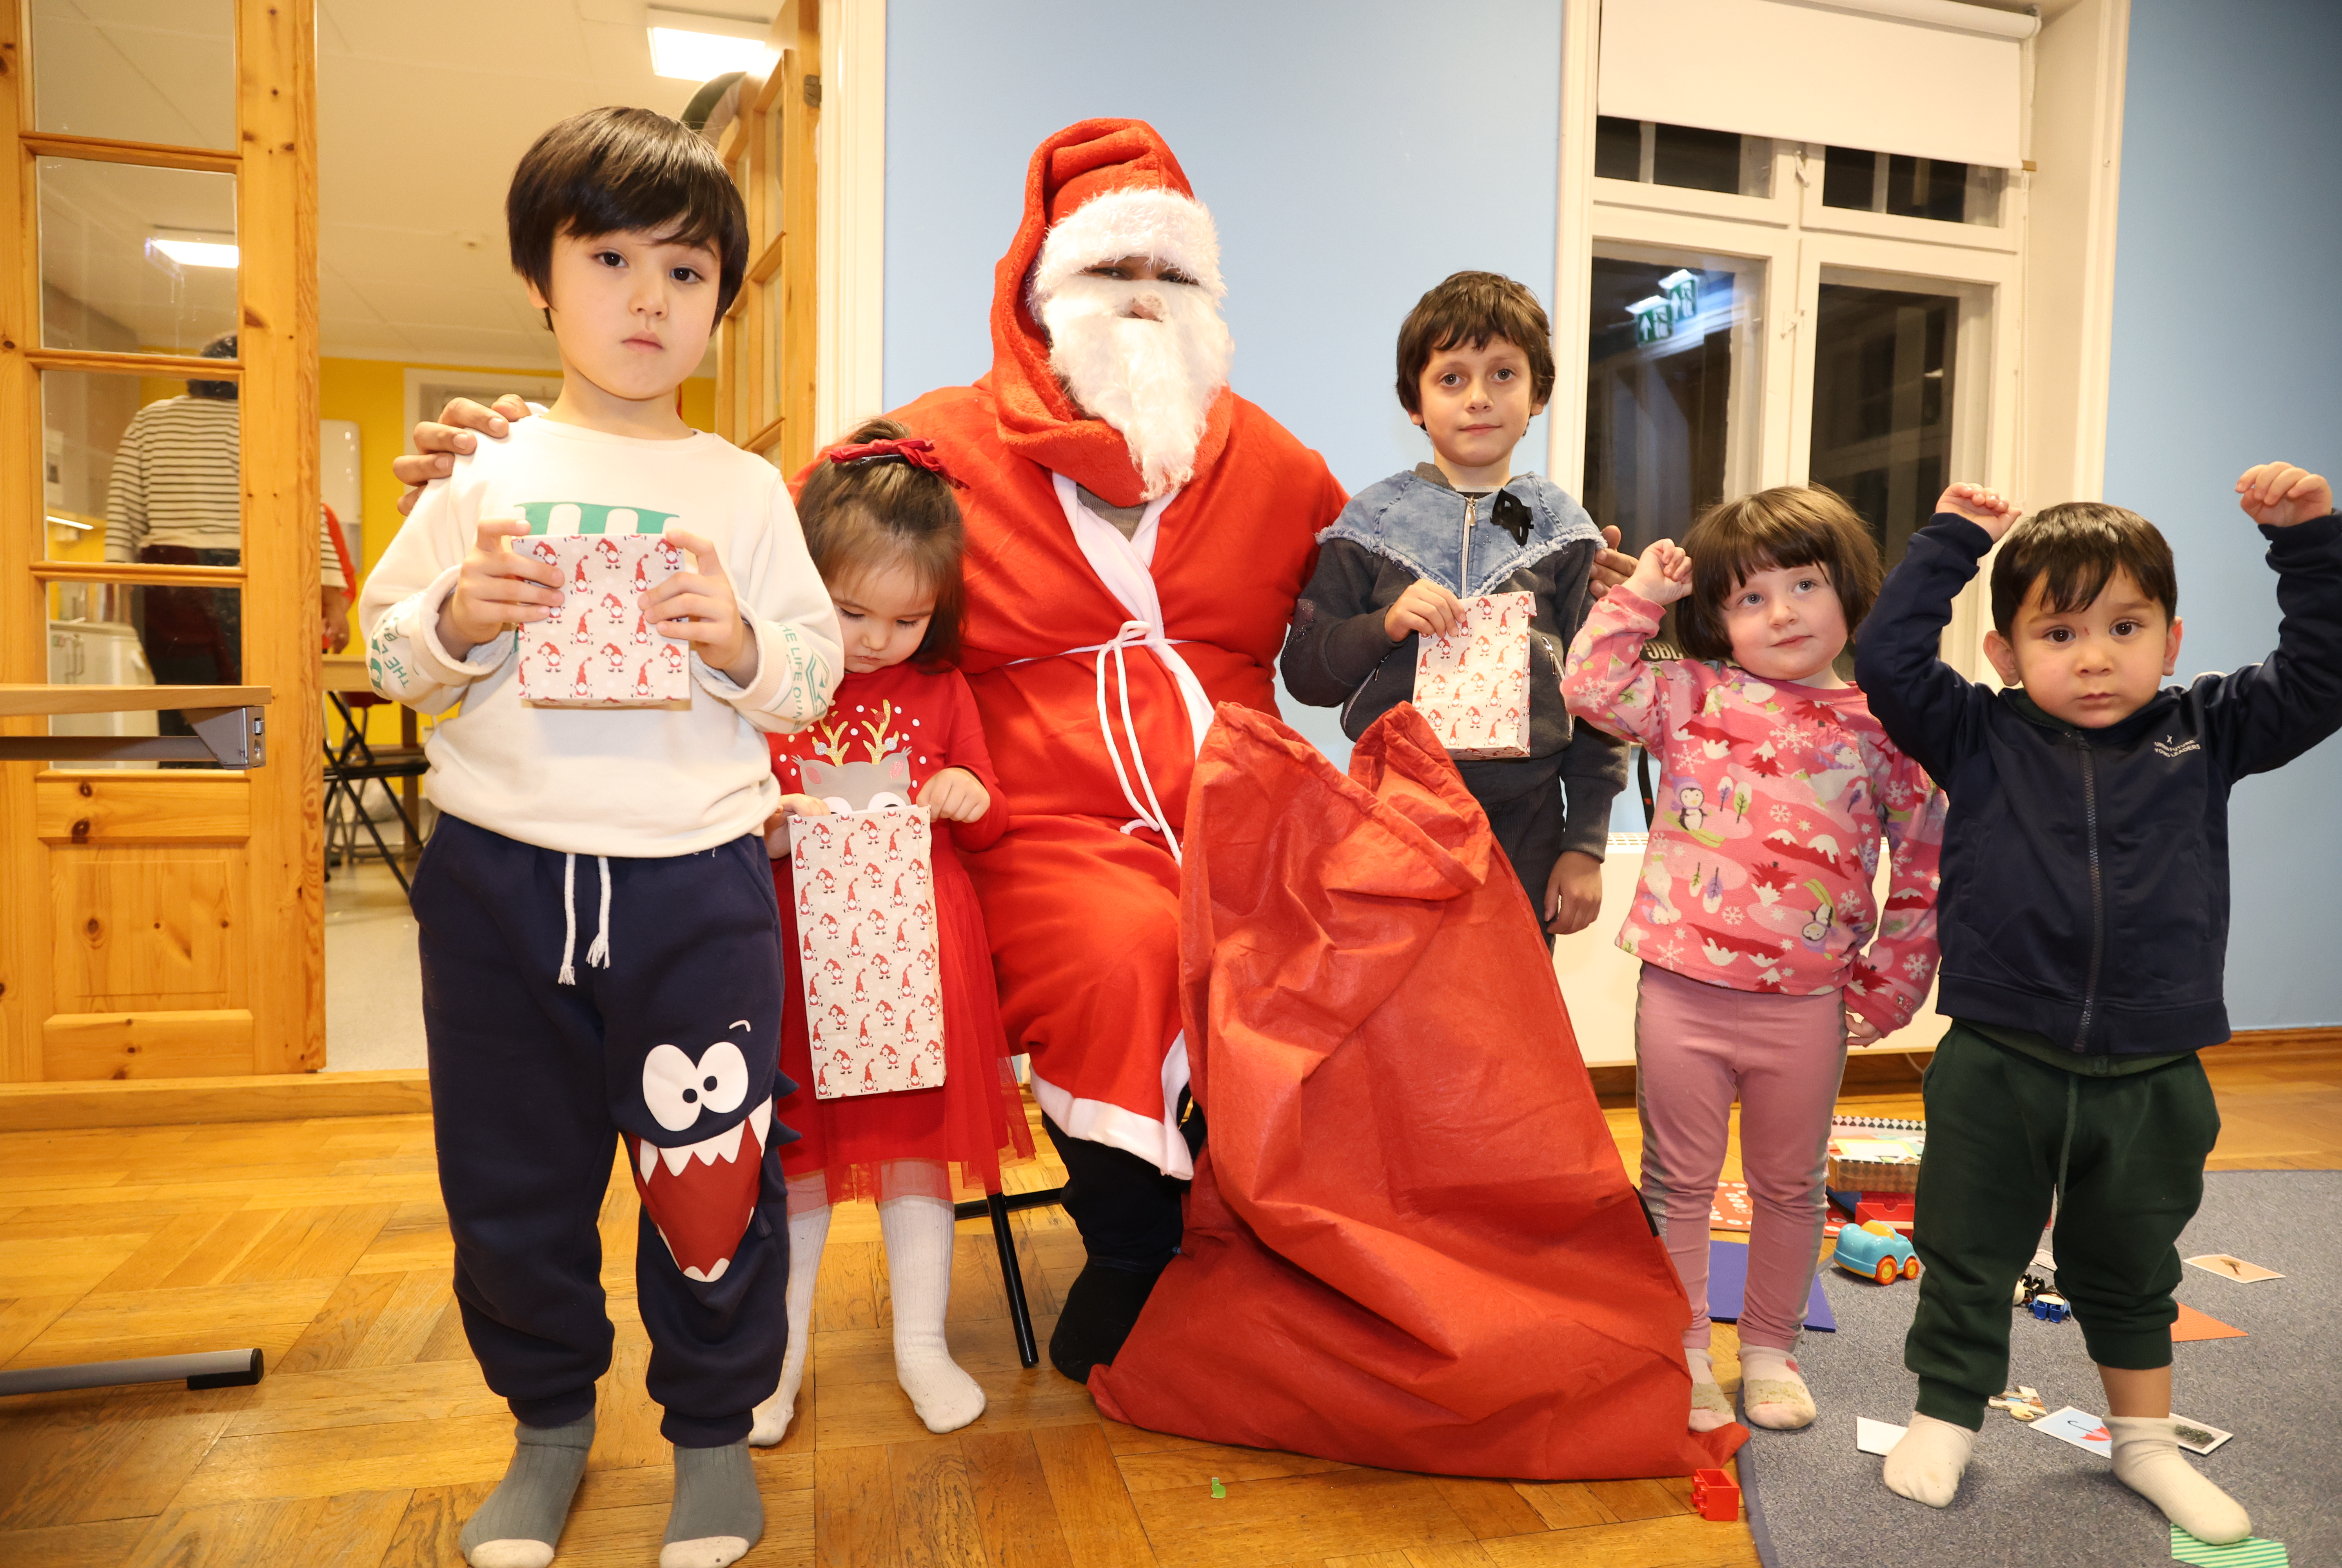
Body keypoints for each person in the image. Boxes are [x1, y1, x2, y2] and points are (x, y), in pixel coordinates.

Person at [393, 120, 1644, 1387]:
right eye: (1114, 278)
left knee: (1364, 929)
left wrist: (1606, 598)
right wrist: (541, 452)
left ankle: (1353, 1232)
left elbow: (1380, 579)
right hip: (1032, 816)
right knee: (1126, 952)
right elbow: (754, 557)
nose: (1144, 308)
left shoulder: (1276, 462)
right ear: (1048, 297)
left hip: (1243, 802)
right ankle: (1138, 1240)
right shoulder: (933, 447)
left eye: (1171, 280)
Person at [357, 107, 841, 1568]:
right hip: (497, 874)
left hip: (697, 882)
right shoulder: (479, 470)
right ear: (538, 282)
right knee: (510, 1177)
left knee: (711, 1173)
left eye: (685, 271)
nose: (646, 298)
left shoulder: (747, 489)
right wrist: (455, 618)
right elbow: (388, 648)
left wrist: (742, 638)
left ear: (719, 301)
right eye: (608, 257)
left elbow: (814, 672)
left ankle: (709, 1431)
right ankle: (548, 1427)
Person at [1854, 466, 2342, 1544]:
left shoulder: (2210, 728)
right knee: (1969, 1247)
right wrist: (1948, 544)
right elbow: (1889, 659)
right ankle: (1946, 1416)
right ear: (2006, 655)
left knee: (2133, 1264)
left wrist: (2308, 542)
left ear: (2172, 641)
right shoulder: (1978, 735)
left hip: (2154, 1070)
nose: (2094, 656)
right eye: (2059, 632)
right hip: (2001, 1056)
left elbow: (2327, 671)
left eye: (2126, 627)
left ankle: (2146, 1444)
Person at [1562, 485, 1944, 1435]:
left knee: (1789, 1184)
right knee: (1676, 1184)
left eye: (1804, 585)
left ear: (1849, 592)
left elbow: (1929, 858)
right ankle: (1686, 1344)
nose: (1781, 612)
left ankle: (1770, 1347)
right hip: (1684, 992)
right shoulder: (1691, 692)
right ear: (1717, 621)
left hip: (1808, 1005)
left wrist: (1894, 980)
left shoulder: (1886, 725)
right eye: (1749, 597)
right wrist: (1642, 597)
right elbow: (1591, 685)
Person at [748, 417, 1033, 1443]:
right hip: (794, 955)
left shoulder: (941, 687)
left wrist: (963, 789)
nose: (877, 641)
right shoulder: (771, 689)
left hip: (923, 950)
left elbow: (994, 809)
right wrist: (766, 835)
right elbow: (727, 820)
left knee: (919, 1158)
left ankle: (922, 1343)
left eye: (908, 621)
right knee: (799, 1165)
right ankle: (771, 1359)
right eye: (851, 610)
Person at [1280, 270, 1626, 940]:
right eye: (1451, 378)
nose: (1478, 398)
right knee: (1400, 1018)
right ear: (1413, 402)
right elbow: (1306, 675)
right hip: (1395, 815)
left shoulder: (1565, 531)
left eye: (1503, 375)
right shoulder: (1371, 523)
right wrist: (1383, 626)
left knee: (1508, 1020)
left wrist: (1584, 845)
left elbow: (1601, 700)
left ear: (1539, 396)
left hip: (1528, 825)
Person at [104, 332, 351, 739]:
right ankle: (253, 796)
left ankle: (193, 794)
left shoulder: (152, 418)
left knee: (185, 718)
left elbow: (124, 509)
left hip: (170, 576)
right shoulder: (268, 420)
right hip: (254, 571)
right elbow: (309, 516)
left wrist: (120, 584)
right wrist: (333, 601)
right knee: (257, 718)